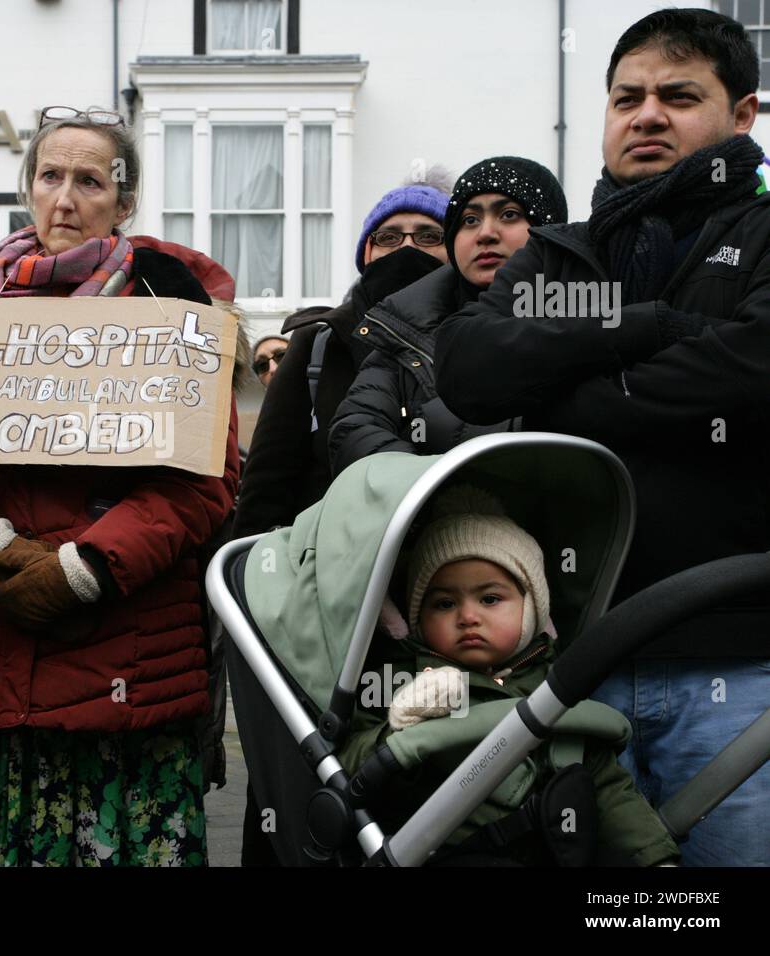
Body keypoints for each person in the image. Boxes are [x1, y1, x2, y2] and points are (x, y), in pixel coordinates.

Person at [434, 8, 770, 866]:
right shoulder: (558, 254)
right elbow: (471, 365)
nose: (647, 114)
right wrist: (649, 324)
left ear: (743, 115)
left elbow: (751, 371)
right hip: (567, 670)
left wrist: (567, 392)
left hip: (738, 664)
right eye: (627, 98)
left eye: (678, 95)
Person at [0, 106, 240, 867]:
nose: (64, 198)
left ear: (124, 204)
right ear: (28, 187)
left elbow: (203, 478)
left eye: (90, 181)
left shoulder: (171, 303)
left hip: (123, 658)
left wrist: (85, 567)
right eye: (49, 176)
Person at [231, 180, 450, 866]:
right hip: (322, 620)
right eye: (390, 236)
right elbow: (266, 490)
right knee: (310, 800)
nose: (406, 249)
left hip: (450, 612)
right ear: (363, 251)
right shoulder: (320, 344)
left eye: (427, 235)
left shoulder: (482, 339)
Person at [338, 489, 681, 866]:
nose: (467, 616)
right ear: (418, 620)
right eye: (444, 604)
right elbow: (351, 766)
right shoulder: (400, 680)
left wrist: (654, 858)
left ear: (532, 608)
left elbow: (608, 788)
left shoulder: (557, 684)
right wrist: (398, 730)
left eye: (489, 599)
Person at [329, 158, 568, 476]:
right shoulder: (399, 331)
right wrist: (439, 494)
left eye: (508, 214)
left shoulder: (597, 315)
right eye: (469, 220)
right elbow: (355, 431)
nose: (485, 233)